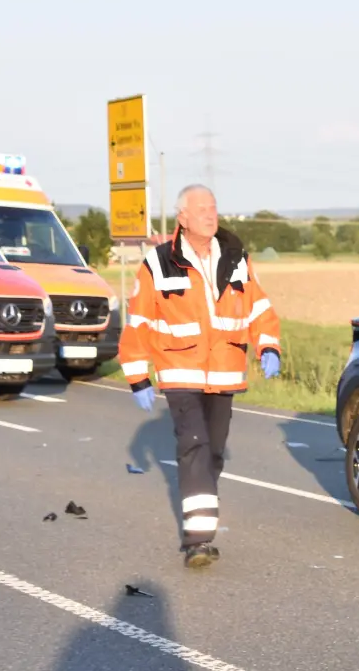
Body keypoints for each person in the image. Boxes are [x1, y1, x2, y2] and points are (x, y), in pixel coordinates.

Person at [118, 184, 283, 569]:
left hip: (225, 373)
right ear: (183, 218)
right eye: (202, 209)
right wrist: (138, 376)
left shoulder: (236, 257)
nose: (211, 215)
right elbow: (139, 321)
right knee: (194, 446)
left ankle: (201, 512)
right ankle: (198, 541)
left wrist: (268, 347)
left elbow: (259, 308)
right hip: (180, 373)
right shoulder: (159, 263)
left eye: (214, 207)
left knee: (212, 453)